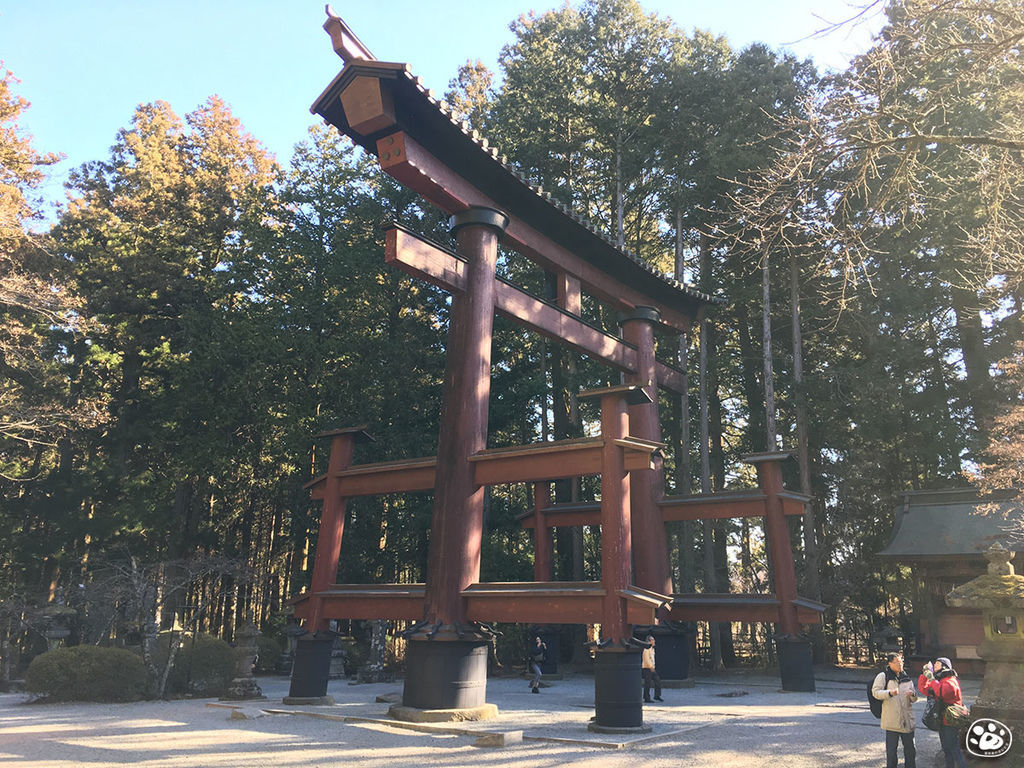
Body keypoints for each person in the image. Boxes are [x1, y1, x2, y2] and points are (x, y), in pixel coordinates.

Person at [918, 657, 968, 768]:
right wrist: (924, 675)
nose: (934, 665)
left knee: (954, 748)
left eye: (937, 663)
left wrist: (932, 679)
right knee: (946, 749)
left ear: (944, 666)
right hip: (942, 720)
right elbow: (924, 689)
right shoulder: (939, 680)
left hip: (951, 721)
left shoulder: (951, 680)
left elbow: (942, 692)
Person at [872, 652, 918, 768]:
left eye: (901, 661)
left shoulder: (906, 677)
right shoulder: (883, 676)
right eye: (897, 662)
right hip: (891, 721)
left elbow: (914, 698)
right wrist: (889, 693)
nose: (900, 664)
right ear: (890, 663)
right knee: (892, 752)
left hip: (906, 720)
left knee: (910, 750)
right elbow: (875, 692)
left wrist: (912, 694)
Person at [641, 634, 662, 703]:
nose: (654, 641)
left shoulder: (652, 649)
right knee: (648, 683)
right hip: (647, 668)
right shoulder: (646, 649)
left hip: (652, 668)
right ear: (649, 641)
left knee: (658, 681)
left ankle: (657, 695)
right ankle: (646, 698)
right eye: (652, 640)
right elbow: (646, 659)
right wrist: (650, 667)